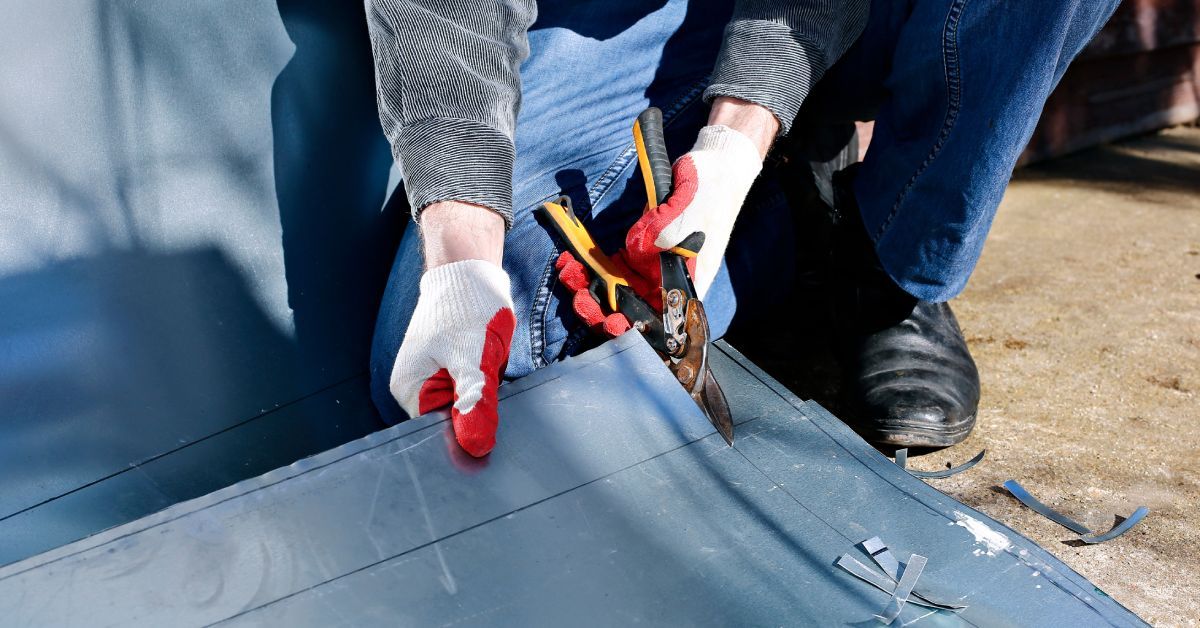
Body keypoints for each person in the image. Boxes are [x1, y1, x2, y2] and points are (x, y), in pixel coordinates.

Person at [365, 0, 1121, 457]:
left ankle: (888, 262)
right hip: (627, 22)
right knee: (525, 354)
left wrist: (733, 144)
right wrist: (461, 263)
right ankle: (792, 207)